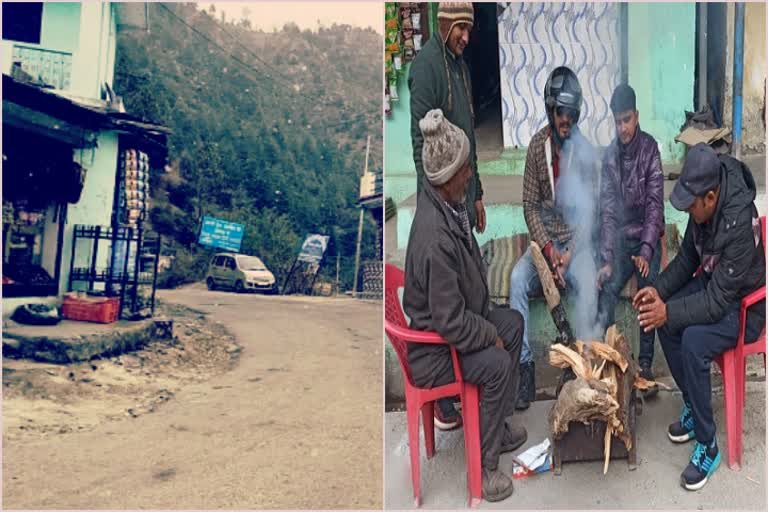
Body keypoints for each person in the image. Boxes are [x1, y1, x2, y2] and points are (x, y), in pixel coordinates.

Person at [403, 109, 526, 501]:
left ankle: (498, 427)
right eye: (465, 170)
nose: (471, 174)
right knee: (496, 363)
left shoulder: (446, 205)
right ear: (448, 178)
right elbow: (450, 322)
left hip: (457, 323)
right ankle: (485, 470)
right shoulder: (434, 238)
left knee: (515, 323)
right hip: (435, 350)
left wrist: (492, 325)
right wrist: (488, 335)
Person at [633, 143, 765, 491]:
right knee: (662, 321)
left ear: (710, 196)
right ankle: (694, 404)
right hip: (715, 287)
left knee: (691, 338)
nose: (688, 212)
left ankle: (708, 445)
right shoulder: (704, 209)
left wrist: (670, 311)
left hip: (743, 308)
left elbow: (719, 301)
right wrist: (659, 291)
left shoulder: (739, 222)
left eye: (692, 205)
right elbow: (688, 261)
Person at [408, 1, 486, 429]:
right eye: (462, 29)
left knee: (466, 281)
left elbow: (468, 132)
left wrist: (476, 194)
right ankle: (444, 397)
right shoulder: (425, 68)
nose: (467, 37)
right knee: (444, 292)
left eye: (469, 30)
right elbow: (425, 149)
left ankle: (472, 373)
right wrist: (440, 206)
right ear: (444, 23)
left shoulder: (459, 64)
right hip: (441, 199)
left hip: (460, 195)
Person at [507, 66, 596, 410]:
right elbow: (529, 206)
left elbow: (590, 214)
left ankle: (584, 365)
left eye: (572, 114)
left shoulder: (585, 152)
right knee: (516, 280)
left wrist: (570, 254)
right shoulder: (535, 149)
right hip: (544, 247)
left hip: (574, 246)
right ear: (550, 111)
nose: (567, 121)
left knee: (589, 283)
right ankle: (525, 370)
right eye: (561, 113)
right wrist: (547, 251)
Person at [596, 84, 665, 396]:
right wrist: (608, 258)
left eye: (627, 119)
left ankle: (646, 365)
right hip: (623, 243)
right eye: (618, 121)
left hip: (646, 240)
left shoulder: (650, 150)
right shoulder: (609, 157)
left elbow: (654, 207)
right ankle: (608, 359)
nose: (622, 127)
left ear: (636, 116)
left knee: (648, 290)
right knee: (606, 288)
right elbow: (608, 212)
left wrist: (648, 251)